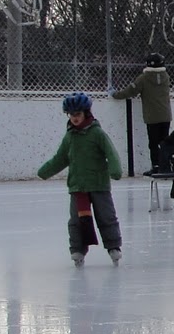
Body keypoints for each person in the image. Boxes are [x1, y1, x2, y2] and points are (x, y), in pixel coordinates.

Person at [37, 92, 123, 266]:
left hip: (98, 184)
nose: (74, 118)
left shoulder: (97, 133)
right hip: (78, 186)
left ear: (85, 113)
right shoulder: (70, 136)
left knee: (106, 217)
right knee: (77, 221)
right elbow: (61, 158)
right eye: (71, 115)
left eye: (77, 114)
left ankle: (113, 246)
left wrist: (115, 170)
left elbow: (111, 153)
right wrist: (44, 171)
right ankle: (77, 250)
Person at [112, 52, 173, 173]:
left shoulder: (144, 78)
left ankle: (156, 166)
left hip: (152, 116)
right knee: (165, 141)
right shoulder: (166, 76)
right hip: (165, 114)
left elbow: (131, 91)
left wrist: (115, 94)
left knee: (153, 143)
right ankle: (167, 166)